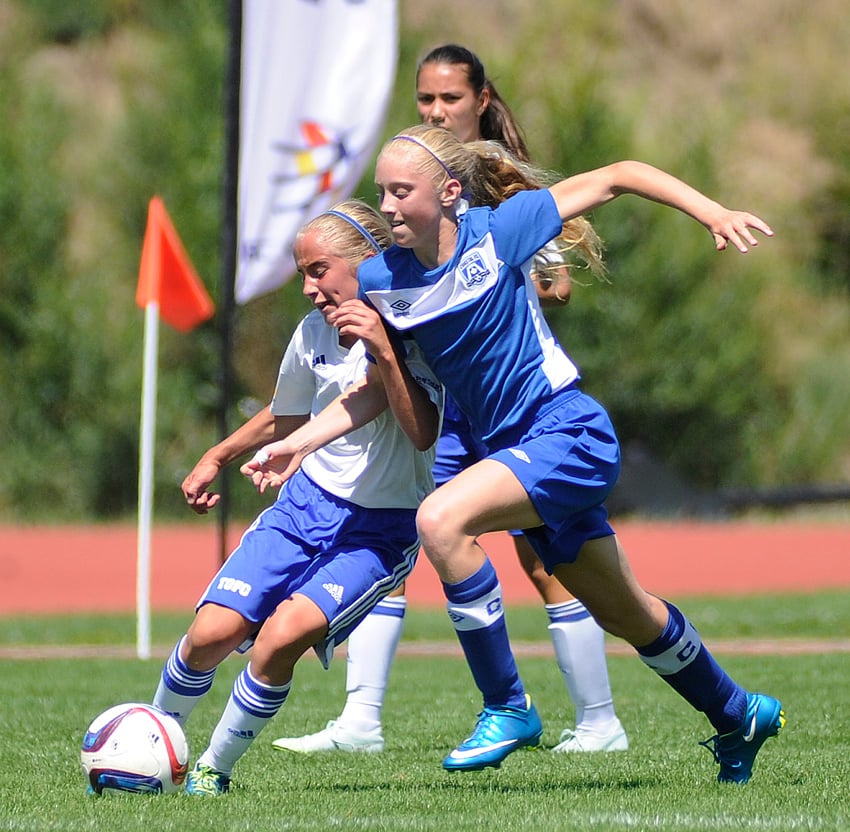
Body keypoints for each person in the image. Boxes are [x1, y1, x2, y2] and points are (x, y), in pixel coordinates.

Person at [245, 123, 784, 784]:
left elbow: (618, 175)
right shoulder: (384, 278)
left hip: (567, 432)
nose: (386, 207)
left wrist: (712, 212)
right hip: (517, 453)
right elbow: (388, 402)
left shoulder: (502, 230)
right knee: (628, 613)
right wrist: (297, 441)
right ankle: (738, 713)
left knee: (440, 520)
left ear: (448, 193)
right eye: (381, 192)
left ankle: (507, 705)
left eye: (401, 191)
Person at [271, 43, 627, 758]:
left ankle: (597, 719)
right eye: (426, 99)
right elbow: (377, 268)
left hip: (509, 398)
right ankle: (363, 720)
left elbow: (552, 281)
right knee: (408, 527)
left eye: (450, 100)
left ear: (482, 100)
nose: (436, 110)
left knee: (542, 554)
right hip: (441, 396)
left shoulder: (491, 193)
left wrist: (488, 286)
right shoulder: (409, 177)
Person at [151, 200, 443, 795]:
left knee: (282, 637)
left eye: (319, 270)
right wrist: (217, 456)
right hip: (303, 507)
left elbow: (421, 432)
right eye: (303, 272)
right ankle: (156, 743)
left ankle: (213, 769)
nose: (309, 288)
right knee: (210, 633)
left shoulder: (416, 329)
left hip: (378, 530)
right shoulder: (313, 331)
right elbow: (285, 415)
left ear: (367, 262)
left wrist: (384, 349)